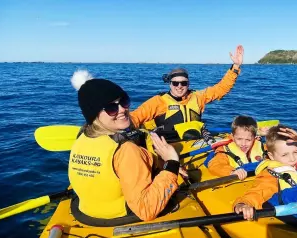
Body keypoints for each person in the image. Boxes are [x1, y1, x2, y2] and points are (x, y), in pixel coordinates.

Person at [68, 70, 182, 226]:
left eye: (124, 101)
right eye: (111, 108)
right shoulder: (125, 150)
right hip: (121, 217)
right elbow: (146, 209)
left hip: (87, 214)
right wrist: (172, 163)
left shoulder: (81, 138)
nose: (122, 109)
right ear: (94, 114)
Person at [131, 45, 244, 135]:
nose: (179, 86)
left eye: (183, 83)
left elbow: (221, 88)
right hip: (169, 146)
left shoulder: (198, 97)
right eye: (175, 83)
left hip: (195, 142)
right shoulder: (159, 101)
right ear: (170, 84)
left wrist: (235, 67)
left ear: (188, 83)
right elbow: (135, 117)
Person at [207, 115, 266, 180]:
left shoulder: (262, 146)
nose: (243, 144)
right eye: (239, 139)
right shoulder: (224, 150)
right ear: (233, 137)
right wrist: (232, 172)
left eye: (248, 140)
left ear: (254, 138)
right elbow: (215, 165)